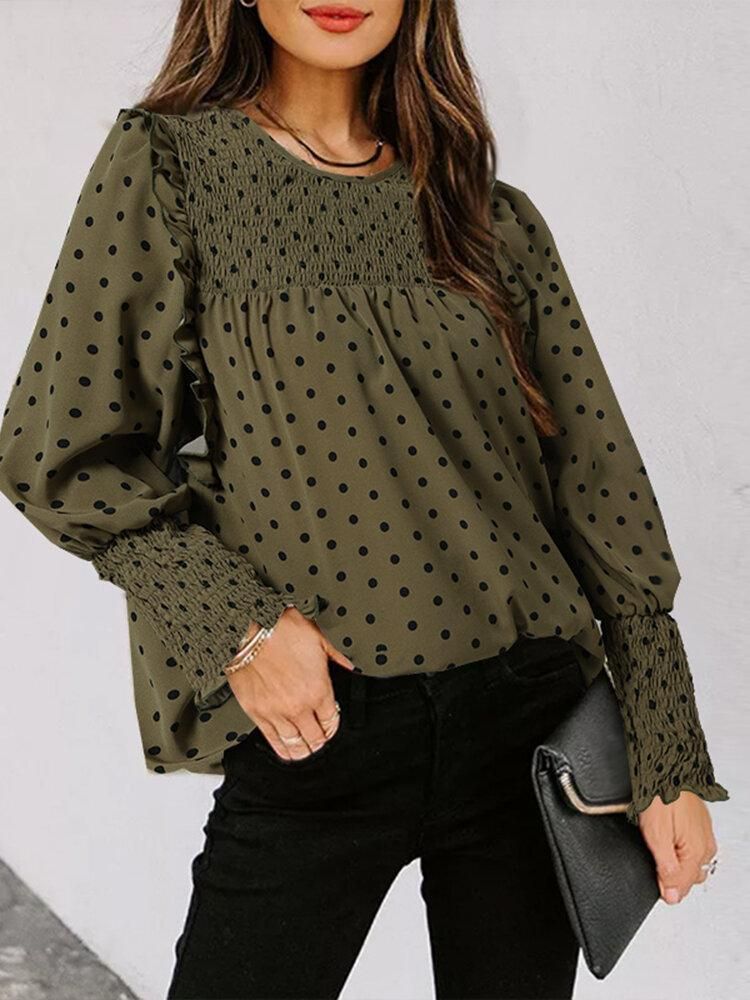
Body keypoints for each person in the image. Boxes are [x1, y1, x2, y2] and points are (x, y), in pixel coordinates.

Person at [0, 1, 729, 997]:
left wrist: (666, 750)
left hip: (526, 723)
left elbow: (601, 488)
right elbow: (60, 454)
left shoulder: (485, 213)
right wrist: (241, 627)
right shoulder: (172, 171)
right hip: (322, 729)